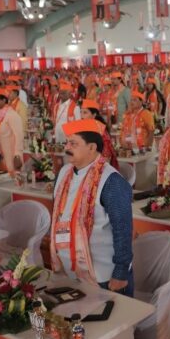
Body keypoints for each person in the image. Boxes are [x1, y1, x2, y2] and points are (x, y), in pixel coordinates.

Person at [50, 119, 133, 295]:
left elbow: (123, 229)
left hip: (103, 273)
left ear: (92, 148)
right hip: (68, 270)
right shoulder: (64, 173)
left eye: (73, 143)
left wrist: (121, 271)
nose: (67, 147)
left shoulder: (111, 181)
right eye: (67, 142)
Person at [81, 99, 119, 168]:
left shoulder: (101, 130)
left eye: (85, 113)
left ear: (94, 115)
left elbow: (107, 157)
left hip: (102, 168)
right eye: (81, 112)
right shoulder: (85, 128)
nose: (82, 116)